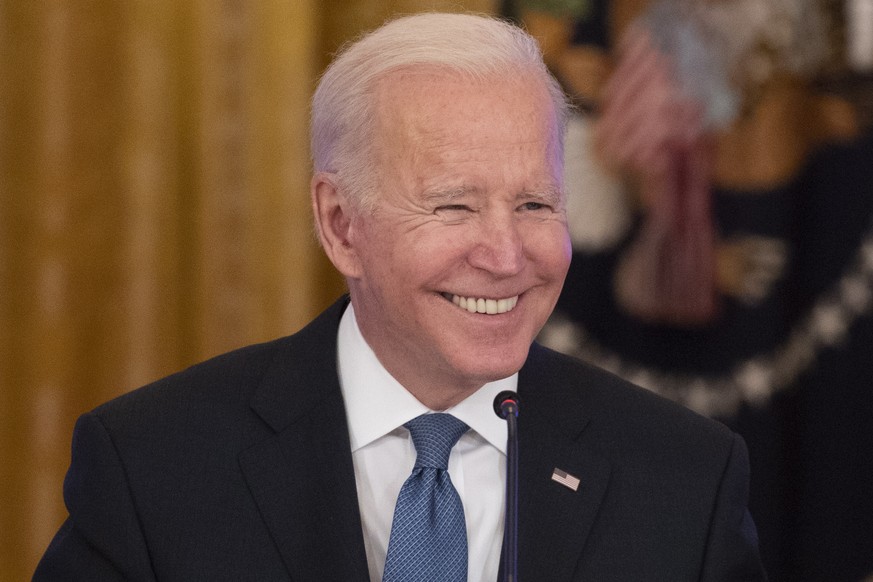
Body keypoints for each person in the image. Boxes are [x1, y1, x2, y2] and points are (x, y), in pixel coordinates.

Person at [34, 12, 766, 581]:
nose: (506, 255)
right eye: (453, 207)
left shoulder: (684, 480)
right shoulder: (154, 466)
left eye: (536, 206)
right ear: (340, 223)